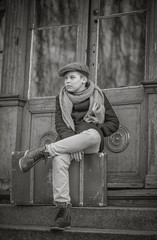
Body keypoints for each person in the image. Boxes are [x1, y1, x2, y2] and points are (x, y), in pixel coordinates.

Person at [19, 62, 119, 231]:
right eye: (65, 78)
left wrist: (96, 127)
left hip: (91, 141)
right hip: (67, 140)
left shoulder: (98, 95)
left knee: (92, 135)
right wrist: (74, 144)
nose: (67, 81)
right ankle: (63, 213)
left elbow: (113, 123)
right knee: (58, 159)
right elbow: (60, 125)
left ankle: (44, 151)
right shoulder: (61, 98)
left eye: (71, 77)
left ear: (83, 79)